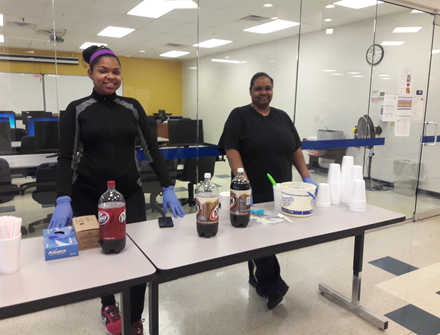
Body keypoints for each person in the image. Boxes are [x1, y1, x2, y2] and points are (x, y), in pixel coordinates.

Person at [48, 45, 185, 335]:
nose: (110, 76)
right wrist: (63, 197)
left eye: (116, 71)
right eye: (103, 71)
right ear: (90, 74)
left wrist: (168, 185)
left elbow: (152, 150)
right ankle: (108, 303)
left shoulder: (132, 107)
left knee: (136, 256)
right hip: (88, 194)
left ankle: (134, 317)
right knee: (102, 255)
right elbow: (66, 157)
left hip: (129, 194)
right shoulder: (77, 109)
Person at [217, 72, 318, 310]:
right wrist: (242, 182)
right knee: (258, 239)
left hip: (282, 191)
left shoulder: (282, 117)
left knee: (271, 238)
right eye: (258, 88)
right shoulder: (239, 115)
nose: (263, 93)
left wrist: (306, 176)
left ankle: (256, 277)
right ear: (250, 91)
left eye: (268, 88)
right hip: (252, 191)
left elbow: (295, 149)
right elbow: (231, 150)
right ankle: (272, 286)